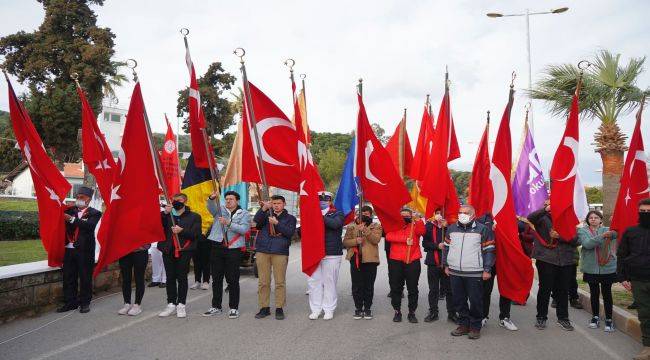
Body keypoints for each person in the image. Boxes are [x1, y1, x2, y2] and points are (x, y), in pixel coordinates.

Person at [443, 204, 495, 340]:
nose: (462, 214)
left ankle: (475, 327)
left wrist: (487, 269)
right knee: (459, 301)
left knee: (476, 301)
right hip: (455, 272)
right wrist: (446, 265)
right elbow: (446, 248)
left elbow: (489, 250)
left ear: (473, 215)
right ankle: (463, 324)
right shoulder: (452, 229)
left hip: (474, 272)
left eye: (465, 212)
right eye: (460, 212)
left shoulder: (483, 229)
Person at [527, 200, 579, 331]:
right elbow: (530, 218)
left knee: (563, 290)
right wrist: (546, 209)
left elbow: (576, 240)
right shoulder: (542, 218)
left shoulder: (569, 219)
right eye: (547, 204)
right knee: (545, 289)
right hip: (546, 259)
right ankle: (541, 317)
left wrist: (560, 236)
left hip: (566, 260)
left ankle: (563, 318)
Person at [202, 190, 251, 319]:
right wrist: (212, 198)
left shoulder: (244, 213)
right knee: (217, 278)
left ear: (237, 201)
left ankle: (234, 307)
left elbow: (244, 229)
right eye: (227, 199)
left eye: (231, 199)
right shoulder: (220, 209)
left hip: (233, 248)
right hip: (217, 246)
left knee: (233, 279)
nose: (228, 201)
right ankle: (216, 306)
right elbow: (210, 208)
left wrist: (229, 223)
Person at [57, 186, 102, 314]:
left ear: (88, 200)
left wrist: (71, 219)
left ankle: (85, 302)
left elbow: (88, 226)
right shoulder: (70, 210)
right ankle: (70, 302)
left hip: (84, 250)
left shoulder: (95, 213)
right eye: (77, 197)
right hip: (69, 249)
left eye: (81, 198)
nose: (78, 200)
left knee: (85, 277)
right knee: (68, 276)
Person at [157, 193, 201, 318]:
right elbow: (156, 226)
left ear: (185, 201)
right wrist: (165, 213)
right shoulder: (167, 215)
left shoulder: (194, 216)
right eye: (174, 200)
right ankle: (171, 303)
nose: (176, 202)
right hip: (168, 250)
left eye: (179, 200)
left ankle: (181, 304)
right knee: (170, 277)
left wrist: (182, 231)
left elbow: (196, 234)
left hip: (184, 251)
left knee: (182, 278)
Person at [253, 195, 297, 320]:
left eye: (279, 203)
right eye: (274, 203)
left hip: (280, 252)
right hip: (263, 250)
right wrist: (263, 209)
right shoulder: (266, 214)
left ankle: (279, 307)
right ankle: (264, 307)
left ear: (284, 204)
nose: (276, 205)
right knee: (263, 282)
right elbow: (257, 224)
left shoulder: (290, 218)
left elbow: (289, 233)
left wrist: (277, 223)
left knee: (280, 282)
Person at [617, 198, 650, 360]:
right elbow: (622, 256)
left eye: (648, 212)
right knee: (645, 314)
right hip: (638, 280)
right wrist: (622, 277)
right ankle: (648, 347)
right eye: (642, 212)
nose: (645, 214)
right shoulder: (631, 232)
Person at [476, 213, 519, 331]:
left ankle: (505, 317)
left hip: (505, 259)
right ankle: (483, 316)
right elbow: (477, 232)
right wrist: (491, 229)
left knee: (506, 290)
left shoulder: (508, 214)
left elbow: (523, 226)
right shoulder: (483, 218)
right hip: (488, 259)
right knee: (485, 290)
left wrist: (503, 229)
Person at [307, 191, 345, 320]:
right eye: (320, 200)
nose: (322, 202)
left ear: (330, 201)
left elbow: (335, 225)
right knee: (314, 282)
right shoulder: (311, 214)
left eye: (326, 200)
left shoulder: (337, 213)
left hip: (331, 253)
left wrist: (320, 216)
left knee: (330, 282)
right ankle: (316, 309)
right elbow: (302, 231)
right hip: (314, 252)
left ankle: (329, 309)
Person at [577, 210, 617, 332]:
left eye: (596, 217)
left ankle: (609, 319)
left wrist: (615, 223)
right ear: (588, 220)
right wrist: (602, 236)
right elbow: (587, 244)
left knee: (607, 294)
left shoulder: (608, 229)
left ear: (601, 219)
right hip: (591, 268)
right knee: (594, 293)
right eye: (591, 217)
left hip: (607, 267)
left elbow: (617, 233)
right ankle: (595, 317)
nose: (593, 219)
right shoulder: (582, 231)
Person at [385, 208, 426, 323]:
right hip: (396, 260)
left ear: (411, 216)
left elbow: (422, 232)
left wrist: (418, 220)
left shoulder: (414, 224)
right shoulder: (393, 225)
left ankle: (412, 312)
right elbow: (388, 236)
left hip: (412, 259)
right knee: (396, 287)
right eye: (402, 215)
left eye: (407, 215)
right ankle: (397, 311)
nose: (404, 217)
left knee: (413, 287)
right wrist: (404, 239)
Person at [343, 205, 382, 320]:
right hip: (355, 259)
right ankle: (358, 308)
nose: (364, 216)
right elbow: (345, 242)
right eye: (362, 214)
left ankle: (368, 308)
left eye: (366, 214)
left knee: (368, 285)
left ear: (371, 215)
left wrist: (364, 230)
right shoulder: (351, 226)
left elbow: (376, 240)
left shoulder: (376, 226)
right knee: (356, 285)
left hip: (370, 260)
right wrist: (356, 241)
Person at [422, 210, 454, 323]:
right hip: (433, 262)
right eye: (437, 212)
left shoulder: (452, 226)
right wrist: (437, 246)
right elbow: (425, 244)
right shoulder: (429, 226)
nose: (440, 215)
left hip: (449, 263)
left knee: (450, 290)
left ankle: (452, 314)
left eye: (442, 212)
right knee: (433, 289)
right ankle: (433, 312)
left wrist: (448, 227)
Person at [118, 244, 150, 316]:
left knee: (139, 278)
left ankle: (137, 305)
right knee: (126, 279)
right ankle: (127, 304)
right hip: (125, 251)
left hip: (140, 250)